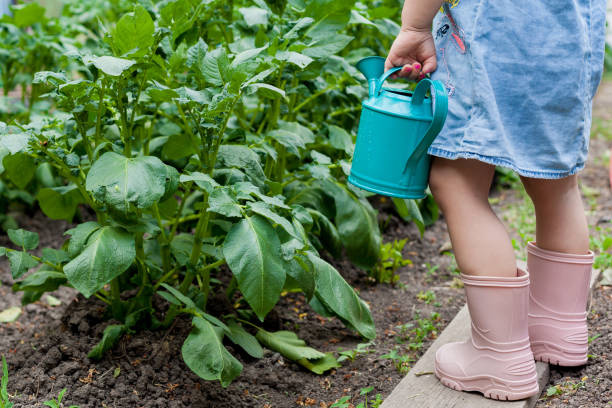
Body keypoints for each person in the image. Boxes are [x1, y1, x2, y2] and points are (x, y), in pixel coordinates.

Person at [385, 0, 606, 401]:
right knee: (556, 182)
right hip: (567, 46)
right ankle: (560, 327)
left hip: (492, 44)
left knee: (457, 179)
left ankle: (499, 356)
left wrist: (415, 26)